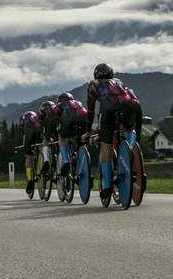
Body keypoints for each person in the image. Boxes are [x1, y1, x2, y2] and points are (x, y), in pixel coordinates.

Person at [81, 63, 137, 198]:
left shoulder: (93, 84)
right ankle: (128, 149)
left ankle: (107, 185)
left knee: (105, 145)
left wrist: (88, 132)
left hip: (107, 109)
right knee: (130, 130)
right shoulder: (119, 82)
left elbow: (90, 111)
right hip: (128, 105)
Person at [54, 92, 87, 176]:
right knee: (81, 140)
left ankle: (65, 161)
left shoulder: (59, 105)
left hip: (68, 121)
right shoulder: (78, 103)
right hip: (83, 118)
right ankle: (81, 157)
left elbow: (56, 119)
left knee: (61, 136)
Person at [19, 111, 42, 196]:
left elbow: (22, 129)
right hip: (38, 132)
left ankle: (29, 179)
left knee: (28, 156)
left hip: (28, 135)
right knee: (41, 149)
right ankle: (41, 166)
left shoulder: (24, 120)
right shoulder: (36, 118)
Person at [37, 100, 57, 173]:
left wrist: (43, 133)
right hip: (57, 123)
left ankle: (46, 160)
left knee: (46, 139)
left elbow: (40, 124)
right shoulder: (55, 108)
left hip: (47, 124)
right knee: (62, 138)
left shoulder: (42, 110)